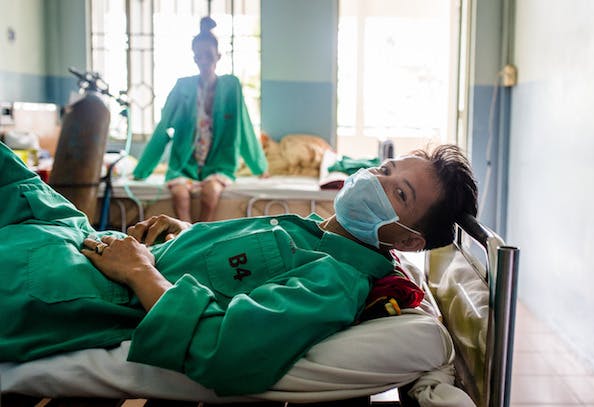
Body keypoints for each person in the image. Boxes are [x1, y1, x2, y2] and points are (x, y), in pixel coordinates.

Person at [0, 141, 477, 396]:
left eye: (399, 194)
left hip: (79, 280)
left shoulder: (333, 282)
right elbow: (237, 267)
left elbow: (224, 351)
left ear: (409, 239)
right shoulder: (315, 233)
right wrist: (187, 233)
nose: (376, 178)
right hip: (80, 236)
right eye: (388, 169)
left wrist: (140, 272)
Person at [132, 16, 268, 222]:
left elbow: (244, 127)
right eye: (198, 57)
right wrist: (142, 170)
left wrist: (260, 167)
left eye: (208, 56)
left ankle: (202, 236)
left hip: (219, 164)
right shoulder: (182, 87)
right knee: (180, 195)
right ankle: (184, 237)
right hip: (185, 164)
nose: (204, 61)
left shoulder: (231, 87)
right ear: (193, 58)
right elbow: (163, 128)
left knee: (210, 193)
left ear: (218, 56)